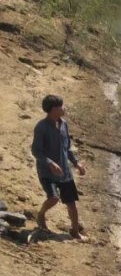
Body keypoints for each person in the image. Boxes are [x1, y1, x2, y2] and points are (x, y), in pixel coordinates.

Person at [31, 94, 86, 240]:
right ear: (54, 109)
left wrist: (76, 164)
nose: (64, 108)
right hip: (47, 172)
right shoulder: (41, 127)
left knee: (71, 203)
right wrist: (50, 163)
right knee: (53, 198)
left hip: (65, 172)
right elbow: (36, 151)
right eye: (61, 106)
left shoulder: (64, 124)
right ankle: (41, 214)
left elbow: (67, 148)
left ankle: (75, 232)